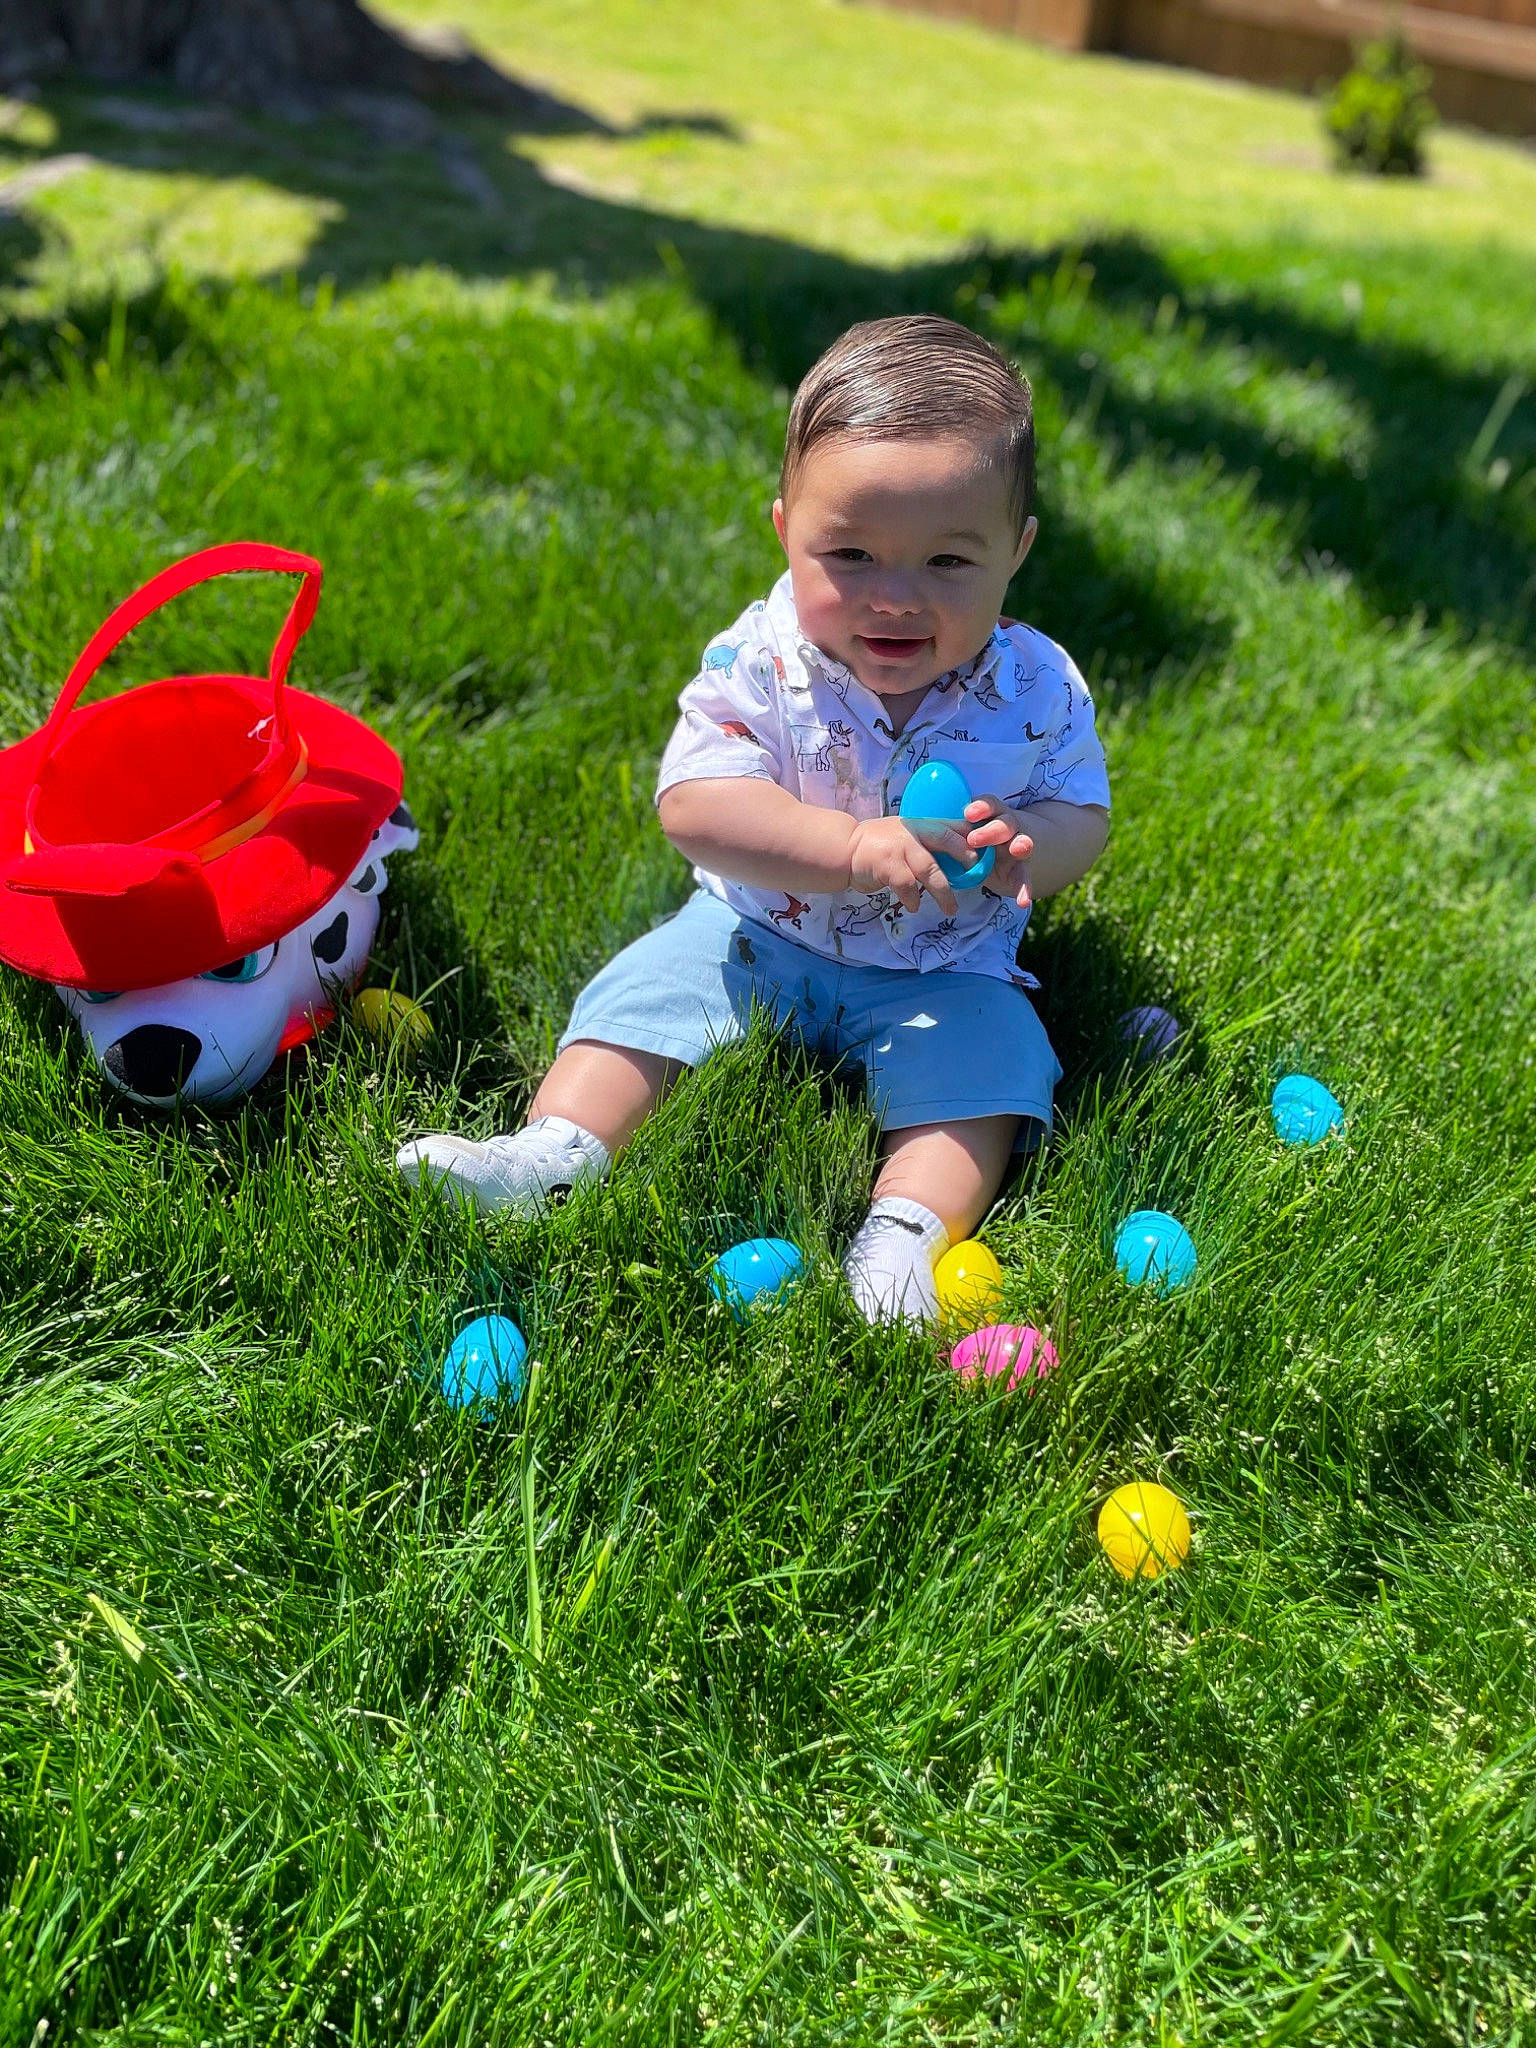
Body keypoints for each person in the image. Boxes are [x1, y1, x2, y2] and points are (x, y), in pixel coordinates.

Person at [397, 314, 1110, 1324]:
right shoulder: (764, 659)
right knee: (641, 999)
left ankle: (904, 1237)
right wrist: (857, 847)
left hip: (946, 963)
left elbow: (1085, 809)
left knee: (991, 1072)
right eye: (851, 553)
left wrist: (1025, 849)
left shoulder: (1034, 684)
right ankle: (553, 1152)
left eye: (949, 563)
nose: (894, 597)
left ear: (1018, 550)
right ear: (786, 529)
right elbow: (695, 804)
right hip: (756, 930)